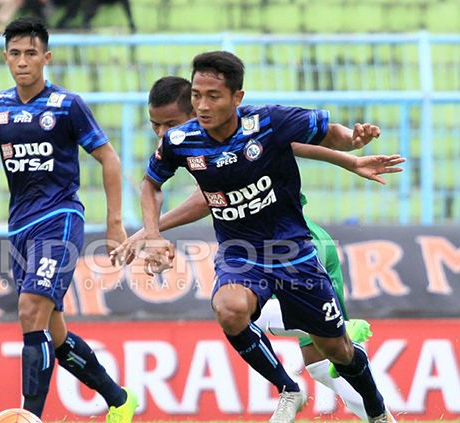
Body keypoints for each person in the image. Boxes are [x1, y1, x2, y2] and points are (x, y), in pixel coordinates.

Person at [119, 52, 395, 423]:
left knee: (337, 352)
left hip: (295, 249)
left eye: (212, 96)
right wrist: (151, 237)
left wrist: (352, 142)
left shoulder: (268, 123)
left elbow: (324, 136)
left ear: (237, 97)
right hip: (240, 252)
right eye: (197, 95)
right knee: (229, 308)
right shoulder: (181, 141)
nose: (202, 105)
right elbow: (151, 183)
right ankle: (288, 389)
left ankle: (377, 410)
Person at [0, 17, 137, 421]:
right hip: (20, 227)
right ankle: (119, 399)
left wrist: (114, 224)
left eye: (30, 53)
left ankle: (31, 416)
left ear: (46, 58)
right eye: (15, 53)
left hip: (60, 218)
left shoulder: (66, 105)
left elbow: (108, 158)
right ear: (5, 57)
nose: (22, 61)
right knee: (52, 330)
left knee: (29, 308)